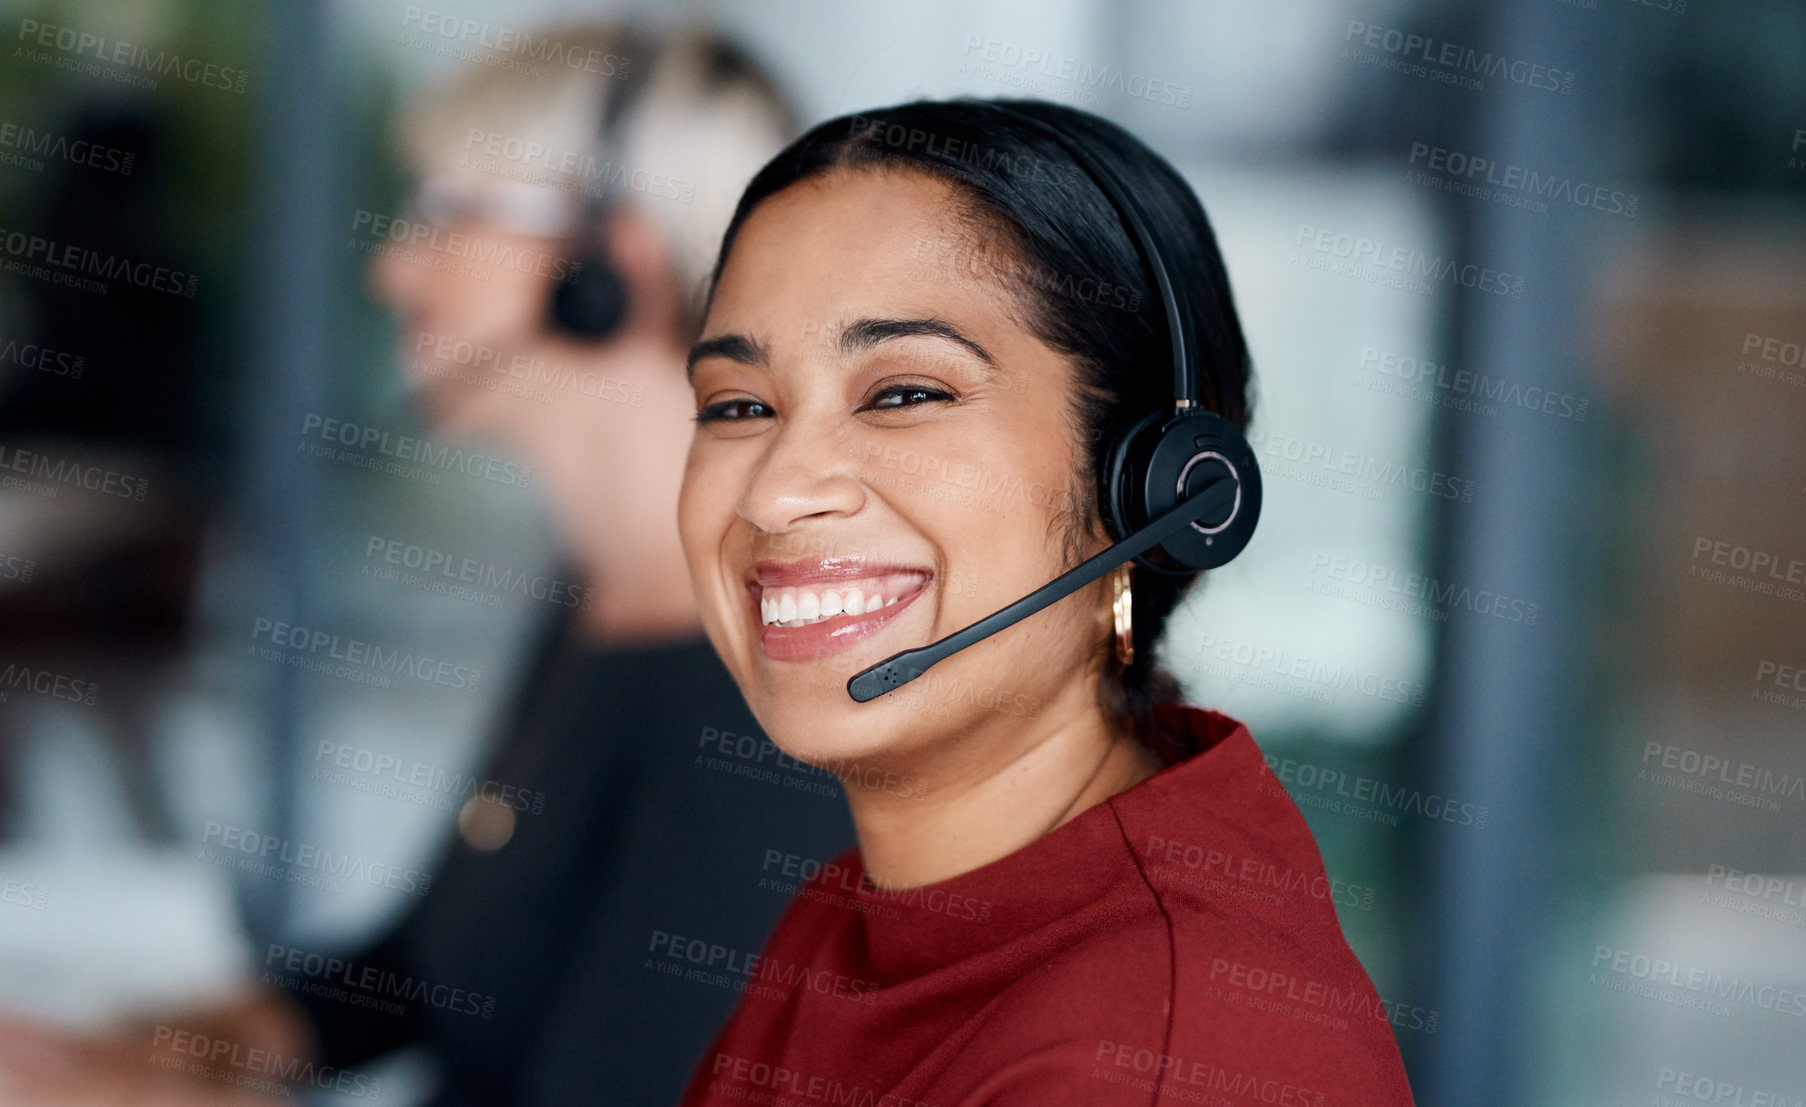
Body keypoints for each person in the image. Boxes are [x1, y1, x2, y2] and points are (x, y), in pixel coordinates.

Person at [0, 23, 855, 1107]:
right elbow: (438, 962)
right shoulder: (596, 589)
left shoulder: (762, 686)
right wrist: (156, 1049)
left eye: (449, 212)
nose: (392, 263)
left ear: (611, 261)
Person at [673, 99, 1416, 1105]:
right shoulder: (855, 921)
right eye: (738, 407)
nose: (772, 492)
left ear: (1158, 486)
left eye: (905, 393)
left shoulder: (1179, 1054)